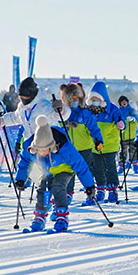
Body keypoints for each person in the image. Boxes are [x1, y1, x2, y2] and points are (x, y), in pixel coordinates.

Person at [14, 115, 96, 233]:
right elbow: (24, 163)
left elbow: (81, 167)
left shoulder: (65, 148)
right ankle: (39, 217)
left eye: (44, 150)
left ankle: (62, 217)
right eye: (39, 150)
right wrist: (20, 179)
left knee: (58, 186)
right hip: (47, 170)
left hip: (65, 170)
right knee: (42, 188)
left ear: (52, 147)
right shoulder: (29, 147)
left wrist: (89, 186)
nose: (41, 153)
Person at [57, 82, 103, 210]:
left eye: (77, 98)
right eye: (72, 98)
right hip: (68, 148)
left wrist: (98, 140)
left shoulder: (86, 114)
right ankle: (68, 193)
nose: (74, 101)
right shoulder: (62, 113)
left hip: (84, 147)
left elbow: (94, 128)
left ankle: (90, 194)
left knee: (85, 170)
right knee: (67, 171)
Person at [88, 81, 125, 204]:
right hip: (95, 146)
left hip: (109, 145)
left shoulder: (113, 110)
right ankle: (101, 190)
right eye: (92, 99)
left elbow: (121, 120)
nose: (94, 101)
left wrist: (121, 124)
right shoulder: (90, 110)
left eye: (97, 98)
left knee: (110, 168)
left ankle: (113, 190)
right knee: (98, 169)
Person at [117, 95, 138, 175]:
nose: (124, 103)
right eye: (122, 102)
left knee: (132, 151)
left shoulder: (132, 111)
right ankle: (121, 166)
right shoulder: (118, 111)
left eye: (125, 101)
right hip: (122, 135)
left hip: (132, 134)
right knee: (122, 151)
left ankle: (134, 165)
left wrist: (134, 120)